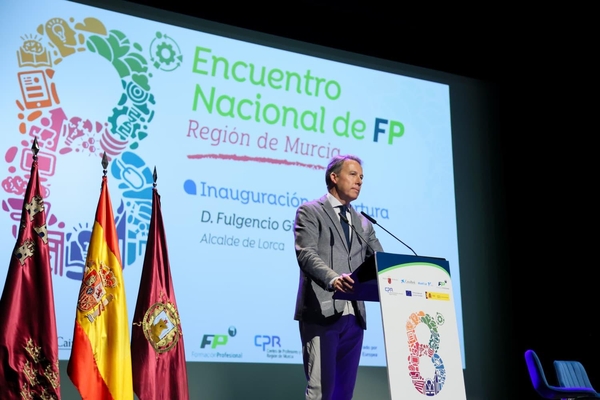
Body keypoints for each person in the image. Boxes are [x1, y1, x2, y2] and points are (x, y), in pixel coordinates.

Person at [293, 154, 384, 400]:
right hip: (322, 311)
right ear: (334, 177)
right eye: (353, 174)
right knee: (321, 392)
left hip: (355, 317)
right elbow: (306, 254)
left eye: (362, 177)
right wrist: (333, 279)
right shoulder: (311, 211)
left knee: (344, 394)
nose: (359, 181)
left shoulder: (363, 223)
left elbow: (380, 261)